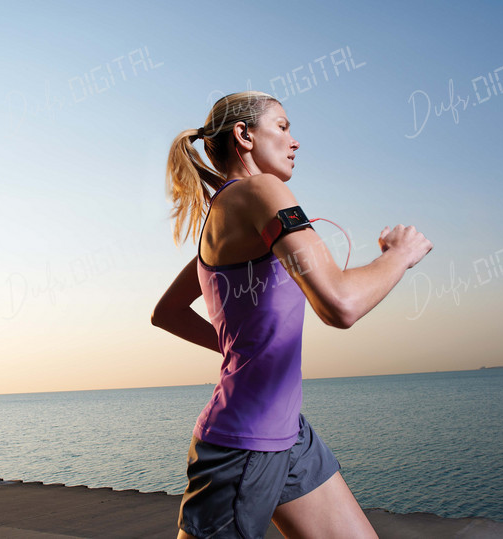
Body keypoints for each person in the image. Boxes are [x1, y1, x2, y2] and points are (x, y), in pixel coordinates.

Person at [151, 91, 432, 538]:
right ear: (244, 136)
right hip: (243, 443)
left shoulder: (224, 213)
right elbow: (339, 304)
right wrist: (398, 256)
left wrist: (240, 350)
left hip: (287, 433)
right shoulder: (262, 190)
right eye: (282, 127)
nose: (294, 141)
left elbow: (166, 313)